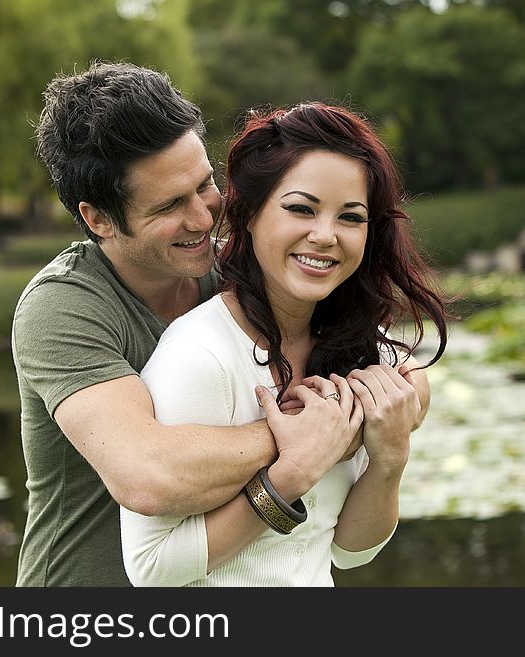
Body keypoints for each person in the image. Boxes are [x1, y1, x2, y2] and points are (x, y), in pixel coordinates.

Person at [12, 63, 408, 586]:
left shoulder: (233, 272)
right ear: (99, 219)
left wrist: (378, 406)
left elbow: (396, 369)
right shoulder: (63, 308)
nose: (203, 218)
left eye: (204, 186)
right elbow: (150, 477)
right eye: (170, 205)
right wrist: (309, 430)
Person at [120, 102, 449, 586]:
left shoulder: (363, 354)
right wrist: (289, 475)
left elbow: (350, 552)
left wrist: (390, 456)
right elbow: (150, 569)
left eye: (350, 218)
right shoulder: (200, 355)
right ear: (250, 214)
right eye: (301, 208)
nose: (324, 236)